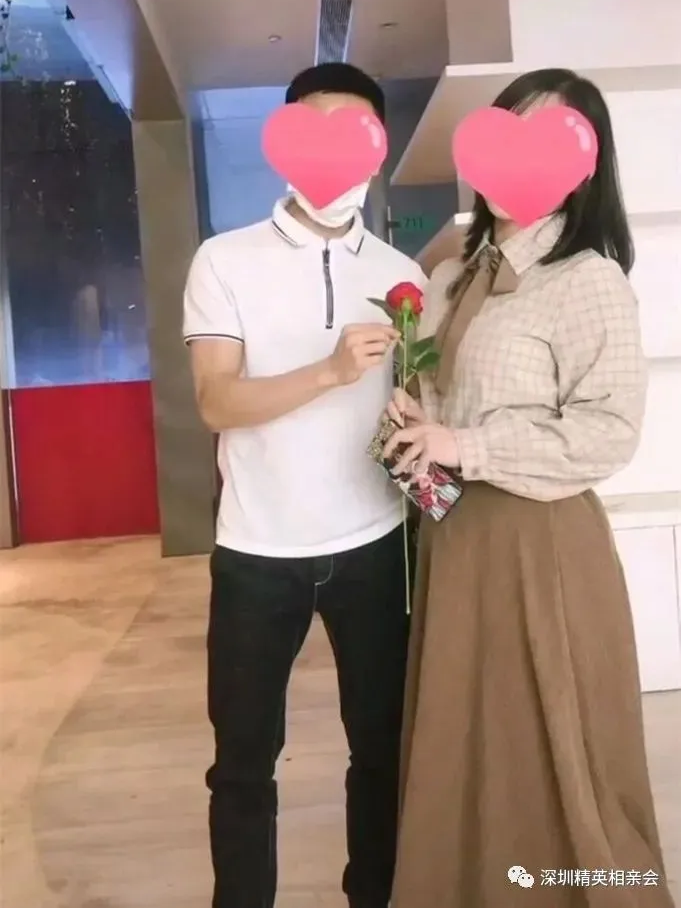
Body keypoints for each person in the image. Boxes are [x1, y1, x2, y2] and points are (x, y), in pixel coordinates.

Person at [382, 68, 676, 907]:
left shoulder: (586, 280)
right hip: (454, 541)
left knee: (552, 745)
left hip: (540, 547)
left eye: (548, 139)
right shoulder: (450, 276)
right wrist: (416, 418)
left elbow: (606, 431)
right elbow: (444, 404)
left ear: (584, 166)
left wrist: (462, 442)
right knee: (466, 738)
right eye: (510, 128)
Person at [183, 62, 427, 908]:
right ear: (282, 140)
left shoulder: (401, 273)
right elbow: (216, 402)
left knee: (381, 751)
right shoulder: (224, 260)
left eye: (354, 131)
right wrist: (328, 372)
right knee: (242, 763)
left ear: (377, 148)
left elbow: (409, 403)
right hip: (256, 551)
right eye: (314, 126)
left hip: (374, 545)